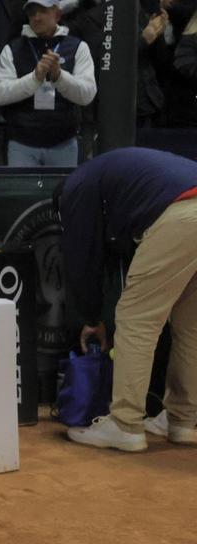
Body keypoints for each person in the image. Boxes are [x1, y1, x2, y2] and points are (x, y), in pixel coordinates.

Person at [58, 148, 197, 451]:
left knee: (137, 319)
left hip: (181, 216)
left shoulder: (77, 187)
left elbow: (82, 258)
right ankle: (182, 421)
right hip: (186, 204)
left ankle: (125, 425)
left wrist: (92, 318)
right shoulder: (111, 173)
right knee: (190, 327)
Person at [0, 0, 96, 167]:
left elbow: (87, 95)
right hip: (22, 144)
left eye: (43, 11)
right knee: (23, 195)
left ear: (58, 14)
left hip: (64, 143)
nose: (36, 17)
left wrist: (59, 77)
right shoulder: (13, 48)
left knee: (63, 194)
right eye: (32, 13)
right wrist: (35, 78)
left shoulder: (78, 47)